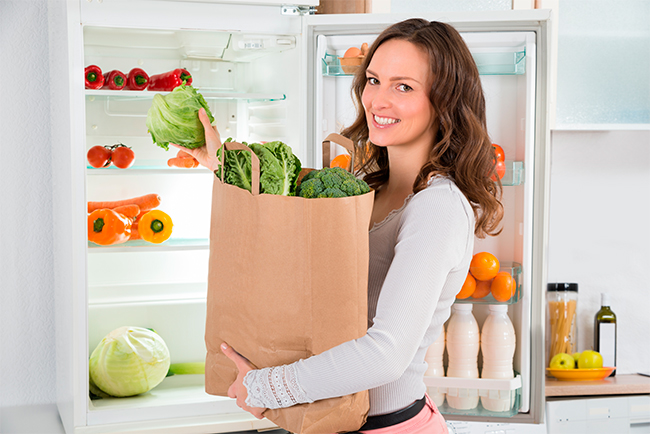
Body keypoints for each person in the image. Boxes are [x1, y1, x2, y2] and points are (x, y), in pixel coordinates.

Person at [176, 18, 503, 434]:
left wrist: (264, 387)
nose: (377, 100)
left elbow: (387, 353)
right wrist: (224, 166)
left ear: (445, 100)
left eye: (403, 86)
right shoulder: (367, 186)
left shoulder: (437, 207)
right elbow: (288, 241)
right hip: (332, 420)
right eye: (373, 80)